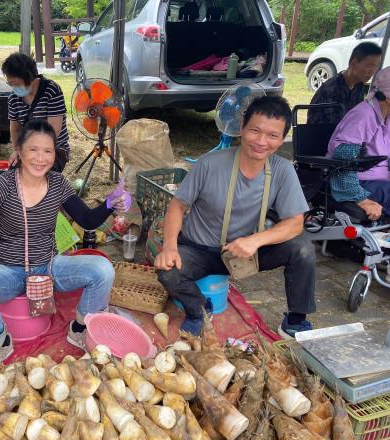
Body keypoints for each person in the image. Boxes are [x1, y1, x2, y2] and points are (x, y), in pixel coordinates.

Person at [0, 119, 129, 374]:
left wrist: (110, 203)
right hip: (7, 271)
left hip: (49, 266)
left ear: (55, 154)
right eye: (33, 150)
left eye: (48, 151)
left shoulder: (57, 184)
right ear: (19, 151)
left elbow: (87, 220)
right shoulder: (2, 185)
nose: (40, 158)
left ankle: (81, 329)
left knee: (102, 268)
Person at [155, 96, 316, 339]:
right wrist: (169, 246)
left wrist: (256, 241)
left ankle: (295, 319)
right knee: (167, 270)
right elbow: (177, 206)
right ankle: (198, 310)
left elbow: (295, 223)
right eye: (255, 130)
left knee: (302, 246)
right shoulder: (209, 164)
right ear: (242, 127)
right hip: (199, 249)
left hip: (244, 251)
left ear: (282, 139)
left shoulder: (282, 170)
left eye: (272, 135)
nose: (261, 141)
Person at [328, 66, 390, 221]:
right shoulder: (363, 116)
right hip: (360, 181)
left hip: (380, 180)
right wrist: (360, 198)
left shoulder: (387, 116)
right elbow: (343, 161)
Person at [2, 53, 70, 172]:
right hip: (28, 148)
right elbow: (15, 129)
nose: (13, 87)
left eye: (16, 83)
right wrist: (18, 150)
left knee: (39, 174)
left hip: (54, 148)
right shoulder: (13, 98)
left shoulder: (51, 91)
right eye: (10, 83)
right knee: (14, 175)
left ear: (29, 77)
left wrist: (34, 153)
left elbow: (54, 130)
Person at [309, 42, 382, 124]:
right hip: (322, 134)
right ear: (353, 64)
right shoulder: (333, 89)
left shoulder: (359, 85)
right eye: (369, 66)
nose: (372, 71)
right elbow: (340, 126)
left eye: (376, 67)